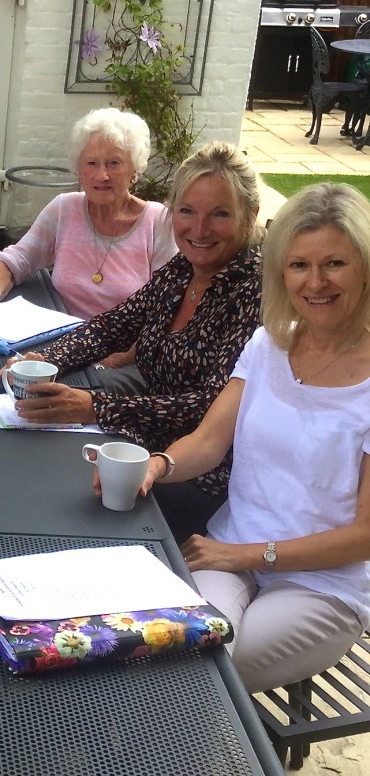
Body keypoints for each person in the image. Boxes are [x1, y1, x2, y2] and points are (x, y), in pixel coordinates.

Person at [136, 183, 370, 692]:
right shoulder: (269, 344)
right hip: (228, 553)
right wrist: (157, 465)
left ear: (365, 268)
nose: (315, 282)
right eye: (299, 264)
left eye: (334, 263)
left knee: (200, 672)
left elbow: (365, 536)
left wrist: (246, 555)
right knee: (171, 650)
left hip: (322, 586)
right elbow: (209, 442)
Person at [2, 142, 264, 539]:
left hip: (204, 476)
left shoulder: (255, 291)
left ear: (251, 215)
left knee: (64, 500)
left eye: (220, 214)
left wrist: (96, 407)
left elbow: (207, 408)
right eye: (187, 211)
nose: (199, 229)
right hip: (143, 438)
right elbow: (113, 326)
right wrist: (45, 359)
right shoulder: (183, 269)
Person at [0, 108, 177, 321]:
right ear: (79, 170)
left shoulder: (158, 221)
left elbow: (167, 305)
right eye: (92, 163)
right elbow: (16, 259)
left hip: (126, 341)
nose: (102, 175)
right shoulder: (64, 209)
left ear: (134, 169)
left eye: (114, 163)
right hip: (60, 335)